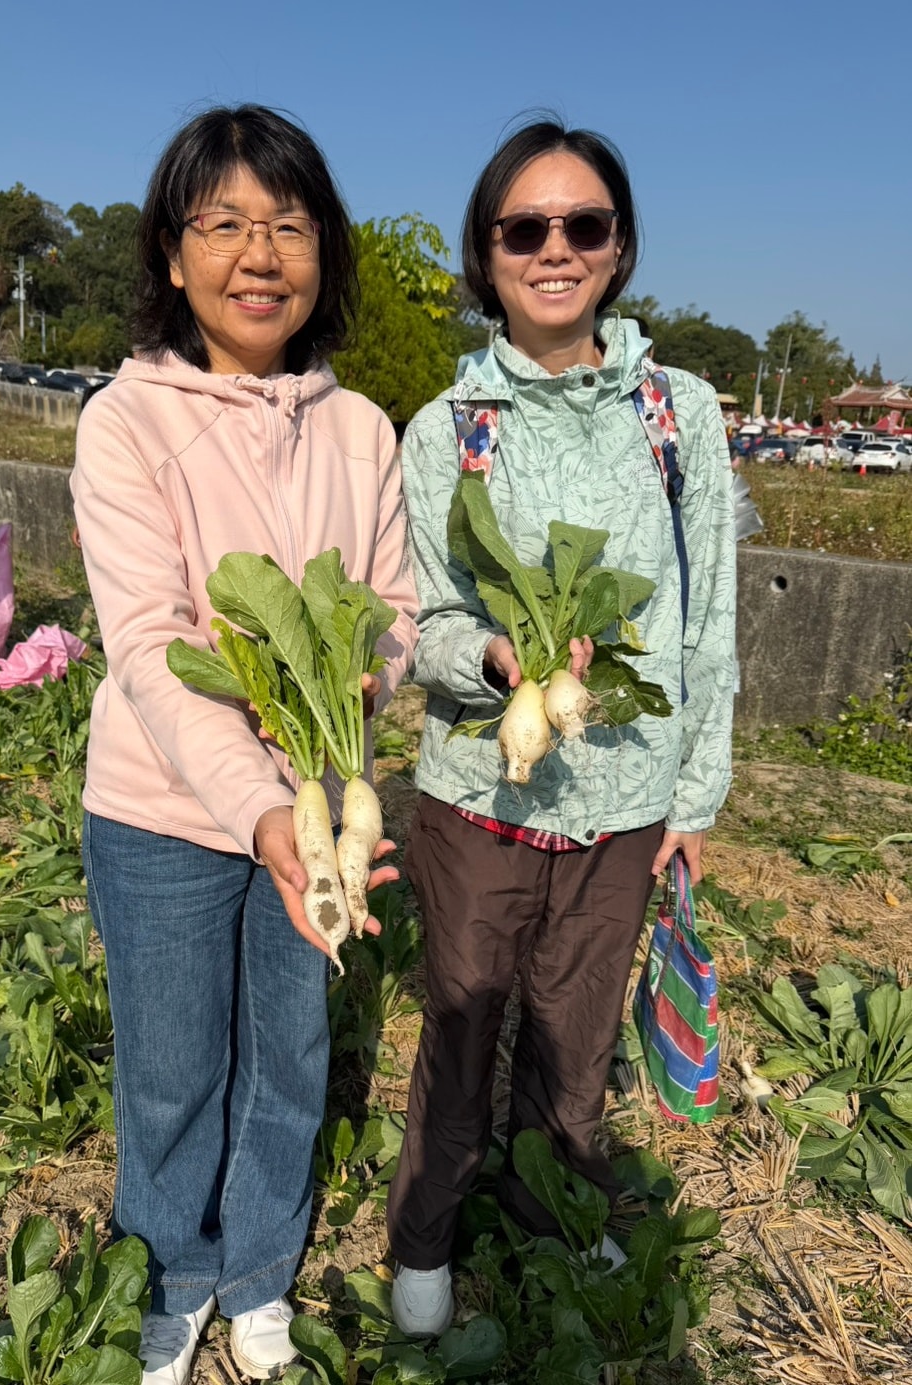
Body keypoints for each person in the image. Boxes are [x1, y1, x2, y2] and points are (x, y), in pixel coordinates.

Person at [70, 105, 418, 1384]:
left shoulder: (363, 427)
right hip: (162, 808)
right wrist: (256, 804)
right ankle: (170, 1269)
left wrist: (340, 713)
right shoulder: (126, 421)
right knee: (168, 1068)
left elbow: (387, 614)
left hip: (318, 805)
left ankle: (260, 1263)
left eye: (287, 224)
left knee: (291, 1054)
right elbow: (154, 643)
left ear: (322, 253)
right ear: (174, 255)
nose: (258, 253)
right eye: (224, 224)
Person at [386, 117, 736, 1336]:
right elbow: (424, 622)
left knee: (574, 1047)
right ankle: (424, 1238)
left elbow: (707, 624)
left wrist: (694, 799)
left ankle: (551, 1228)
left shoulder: (678, 412)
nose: (553, 249)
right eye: (522, 229)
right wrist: (491, 661)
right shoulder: (445, 432)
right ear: (487, 255)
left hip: (625, 799)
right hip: (480, 793)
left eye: (581, 225)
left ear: (619, 246)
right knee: (461, 1023)